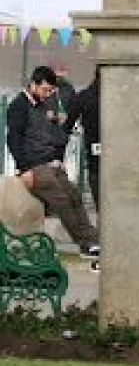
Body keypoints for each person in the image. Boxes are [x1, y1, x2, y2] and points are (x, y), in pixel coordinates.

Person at [6, 66, 100, 258]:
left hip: (49, 163)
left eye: (50, 91)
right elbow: (13, 138)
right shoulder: (18, 106)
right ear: (33, 85)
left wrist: (56, 158)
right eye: (45, 90)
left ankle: (92, 238)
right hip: (34, 166)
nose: (47, 95)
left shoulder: (42, 106)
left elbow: (51, 135)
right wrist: (24, 168)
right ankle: (85, 242)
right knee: (61, 199)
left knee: (74, 194)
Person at [65, 71, 101, 210]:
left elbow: (68, 124)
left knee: (95, 173)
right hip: (115, 147)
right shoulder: (119, 96)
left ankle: (100, 210)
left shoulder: (84, 96)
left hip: (94, 146)